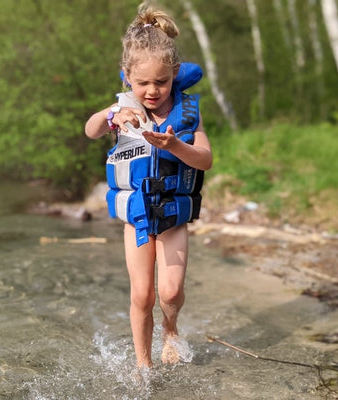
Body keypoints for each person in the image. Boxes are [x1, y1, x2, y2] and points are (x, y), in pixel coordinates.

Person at [85, 3, 212, 368]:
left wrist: (176, 146)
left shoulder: (188, 112)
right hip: (139, 217)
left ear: (174, 74)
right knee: (142, 294)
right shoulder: (122, 109)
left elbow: (205, 159)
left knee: (170, 292)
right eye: (142, 83)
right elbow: (90, 130)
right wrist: (111, 116)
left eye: (161, 81)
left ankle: (170, 330)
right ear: (126, 77)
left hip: (172, 215)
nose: (152, 91)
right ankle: (144, 367)